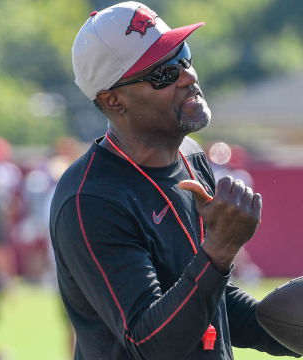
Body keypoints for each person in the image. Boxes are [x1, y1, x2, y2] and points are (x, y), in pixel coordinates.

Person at [50, 2, 300, 359]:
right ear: (113, 100)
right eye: (163, 73)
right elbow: (149, 344)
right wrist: (220, 251)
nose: (188, 76)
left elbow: (207, 301)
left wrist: (287, 331)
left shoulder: (191, 156)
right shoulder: (90, 198)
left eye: (183, 56)